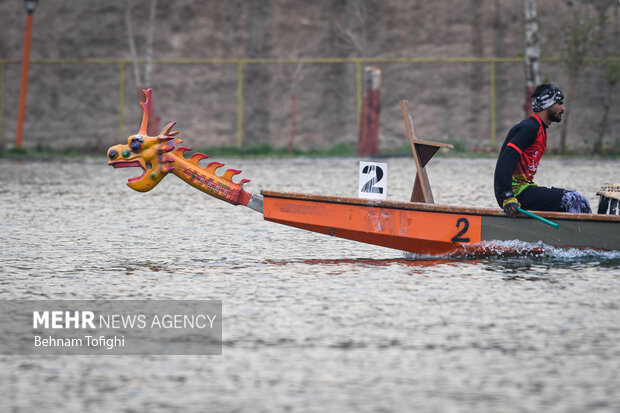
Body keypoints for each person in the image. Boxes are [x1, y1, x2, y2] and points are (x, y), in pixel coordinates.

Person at [494, 84, 591, 218]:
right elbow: (505, 161)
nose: (563, 108)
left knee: (581, 201)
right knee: (572, 199)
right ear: (547, 105)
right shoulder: (529, 128)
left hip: (523, 190)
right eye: (559, 103)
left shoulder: (540, 129)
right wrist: (507, 196)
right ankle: (586, 237)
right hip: (514, 195)